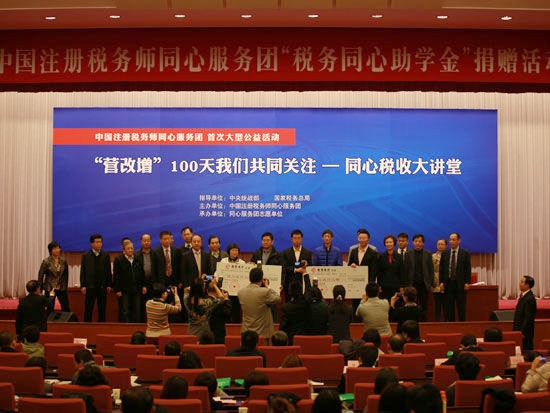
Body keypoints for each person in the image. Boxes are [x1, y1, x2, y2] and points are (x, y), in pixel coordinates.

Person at [238, 267, 282, 341]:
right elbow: (278, 299)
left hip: (246, 331)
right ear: (262, 279)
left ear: (249, 278)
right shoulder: (265, 292)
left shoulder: (240, 292)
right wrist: (268, 286)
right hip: (262, 333)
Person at [439, 232, 471, 322]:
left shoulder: (465, 253)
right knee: (449, 308)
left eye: (453, 239)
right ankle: (451, 325)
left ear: (459, 241)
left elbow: (468, 269)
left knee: (461, 307)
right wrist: (441, 282)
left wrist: (467, 282)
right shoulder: (445, 253)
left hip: (460, 284)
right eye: (450, 240)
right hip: (448, 284)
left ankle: (462, 325)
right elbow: (441, 269)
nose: (451, 241)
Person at [80, 234, 112, 322]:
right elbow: (83, 272)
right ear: (92, 243)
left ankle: (101, 326)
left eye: (100, 242)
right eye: (97, 242)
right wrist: (83, 285)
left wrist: (109, 284)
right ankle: (87, 326)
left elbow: (108, 271)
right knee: (88, 308)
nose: (99, 244)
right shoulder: (86, 255)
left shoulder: (105, 255)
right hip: (90, 286)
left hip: (102, 286)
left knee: (102, 308)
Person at [113, 240, 146, 323]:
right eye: (128, 249)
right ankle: (126, 327)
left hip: (137, 289)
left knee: (137, 310)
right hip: (124, 290)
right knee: (125, 311)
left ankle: (136, 327)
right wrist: (117, 290)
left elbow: (142, 273)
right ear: (124, 250)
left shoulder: (138, 258)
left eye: (132, 248)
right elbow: (116, 276)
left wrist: (144, 286)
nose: (130, 250)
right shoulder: (118, 259)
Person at [405, 234, 435, 315]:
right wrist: (406, 285)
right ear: (413, 242)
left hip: (424, 284)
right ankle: (413, 320)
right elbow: (406, 270)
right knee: (411, 305)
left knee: (423, 305)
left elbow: (431, 270)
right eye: (416, 241)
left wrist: (432, 284)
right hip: (412, 284)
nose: (418, 243)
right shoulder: (408, 254)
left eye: (420, 241)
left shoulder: (428, 254)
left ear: (423, 243)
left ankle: (423, 320)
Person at [38, 240, 70, 314]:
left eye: (58, 248)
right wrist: (40, 287)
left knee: (66, 307)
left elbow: (66, 274)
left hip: (61, 287)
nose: (57, 250)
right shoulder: (46, 261)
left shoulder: (63, 261)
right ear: (50, 250)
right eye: (55, 248)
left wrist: (65, 286)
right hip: (50, 287)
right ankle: (49, 320)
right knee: (50, 307)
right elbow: (41, 275)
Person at [281, 229, 313, 297]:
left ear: (302, 239)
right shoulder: (285, 252)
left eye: (298, 238)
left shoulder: (307, 253)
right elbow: (284, 267)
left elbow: (311, 267)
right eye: (295, 238)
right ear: (291, 239)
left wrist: (306, 265)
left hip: (303, 283)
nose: (297, 240)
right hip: (289, 283)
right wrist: (295, 270)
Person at [279, 280, 308, 344]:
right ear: (301, 291)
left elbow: (282, 327)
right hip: (305, 338)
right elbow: (308, 290)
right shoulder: (306, 304)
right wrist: (306, 276)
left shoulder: (286, 307)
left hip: (290, 340)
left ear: (290, 292)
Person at [513, 275, 537, 351]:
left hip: (525, 333)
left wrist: (522, 332)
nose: (520, 284)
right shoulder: (524, 295)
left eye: (522, 282)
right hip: (519, 331)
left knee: (526, 351)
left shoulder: (529, 298)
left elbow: (528, 318)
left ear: (527, 285)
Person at [378, 234, 405, 300]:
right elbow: (379, 272)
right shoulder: (381, 256)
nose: (388, 244)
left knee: (396, 304)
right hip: (384, 286)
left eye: (390, 242)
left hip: (396, 286)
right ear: (385, 244)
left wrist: (402, 286)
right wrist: (379, 285)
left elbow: (402, 272)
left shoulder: (399, 257)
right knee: (385, 304)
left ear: (394, 243)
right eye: (387, 242)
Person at [135, 234, 154, 322]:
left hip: (153, 284)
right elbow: (136, 272)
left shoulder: (155, 253)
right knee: (141, 307)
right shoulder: (136, 254)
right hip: (141, 285)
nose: (146, 242)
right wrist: (142, 285)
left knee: (153, 306)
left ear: (151, 241)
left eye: (148, 240)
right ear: (141, 242)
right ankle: (141, 323)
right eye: (144, 240)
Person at [432, 238, 447, 322]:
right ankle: (437, 322)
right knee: (437, 305)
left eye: (442, 244)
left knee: (446, 305)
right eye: (438, 244)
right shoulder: (433, 256)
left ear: (446, 246)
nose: (440, 246)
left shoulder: (448, 255)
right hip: (436, 283)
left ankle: (447, 322)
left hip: (446, 284)